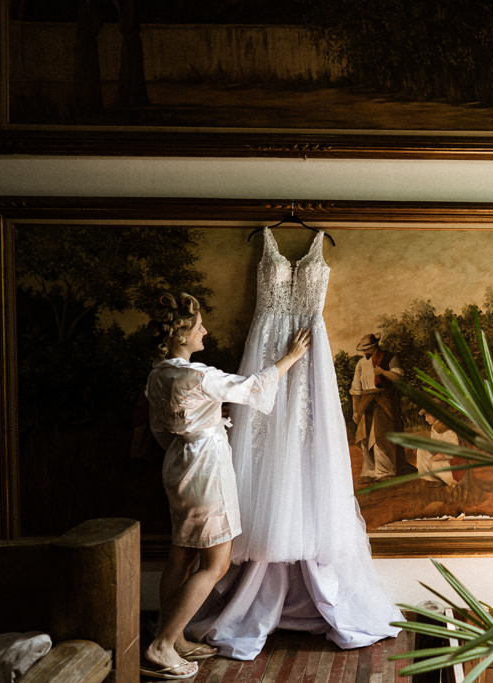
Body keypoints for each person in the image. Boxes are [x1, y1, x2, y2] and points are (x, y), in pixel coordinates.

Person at [185, 227, 401, 660]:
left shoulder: (320, 243)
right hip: (267, 350)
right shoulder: (261, 242)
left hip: (309, 350)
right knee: (263, 445)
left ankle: (305, 587)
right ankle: (256, 590)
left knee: (308, 442)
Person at [142, 292, 309, 679]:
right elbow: (251, 387)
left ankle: (174, 635)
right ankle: (162, 645)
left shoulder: (157, 375)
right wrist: (291, 357)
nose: (205, 331)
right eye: (199, 326)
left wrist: (187, 448)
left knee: (181, 557)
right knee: (215, 564)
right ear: (181, 336)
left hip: (179, 466)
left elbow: (158, 429)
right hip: (206, 472)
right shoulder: (198, 376)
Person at [349, 333, 415, 484]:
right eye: (364, 349)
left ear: (374, 346)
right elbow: (355, 389)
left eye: (367, 348)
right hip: (366, 401)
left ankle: (385, 470)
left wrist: (382, 372)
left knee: (379, 435)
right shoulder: (360, 364)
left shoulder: (390, 357)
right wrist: (355, 410)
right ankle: (370, 471)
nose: (365, 352)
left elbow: (398, 379)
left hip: (383, 399)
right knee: (364, 437)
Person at [416, 408, 458, 488]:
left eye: (428, 416)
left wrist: (433, 459)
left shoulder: (446, 428)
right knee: (421, 451)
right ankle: (434, 480)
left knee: (433, 463)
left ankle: (449, 482)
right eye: (425, 416)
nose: (426, 419)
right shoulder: (434, 427)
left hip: (452, 463)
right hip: (442, 459)